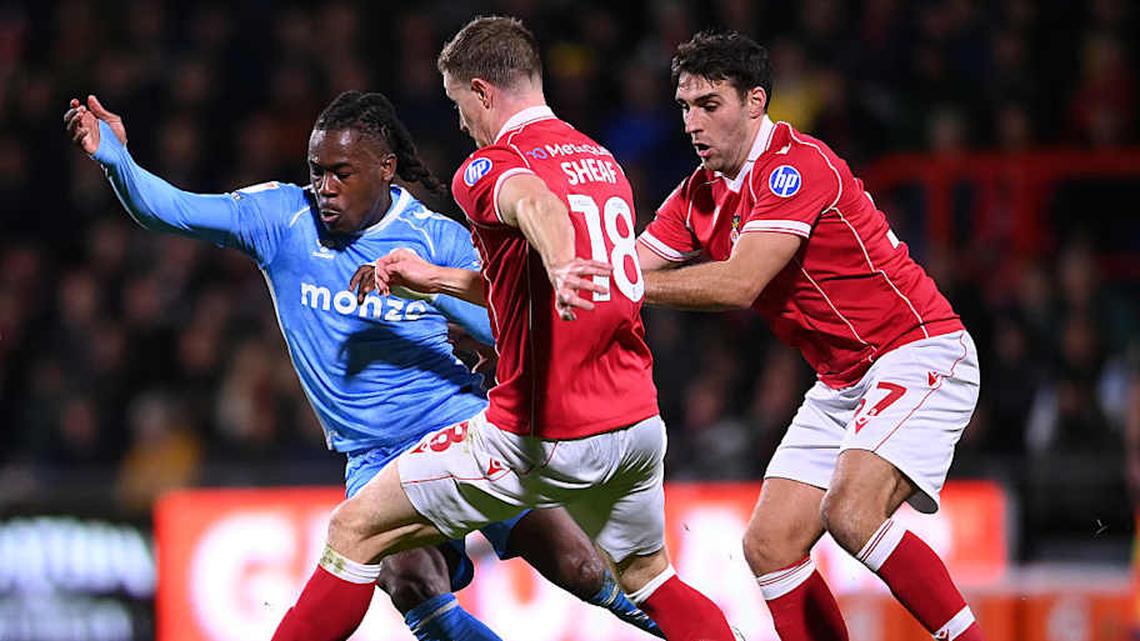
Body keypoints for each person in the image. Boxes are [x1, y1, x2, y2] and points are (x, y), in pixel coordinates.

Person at [64, 90, 662, 641]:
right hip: (373, 458)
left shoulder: (437, 241)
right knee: (413, 588)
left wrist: (491, 345)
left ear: (384, 169)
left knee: (582, 568)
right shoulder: (281, 219)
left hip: (460, 433)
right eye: (316, 171)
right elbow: (172, 210)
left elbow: (515, 330)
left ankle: (690, 629)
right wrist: (116, 159)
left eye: (340, 173)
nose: (323, 186)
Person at [276, 16, 739, 641]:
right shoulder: (601, 161)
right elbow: (516, 289)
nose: (462, 122)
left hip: (540, 433)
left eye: (460, 105)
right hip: (635, 425)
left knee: (353, 530)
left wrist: (560, 256)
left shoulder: (488, 167)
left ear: (482, 91)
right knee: (652, 580)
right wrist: (433, 277)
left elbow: (532, 201)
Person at [634, 31, 984, 641]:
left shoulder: (796, 166)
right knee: (770, 545)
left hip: (917, 349)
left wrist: (623, 286)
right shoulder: (698, 194)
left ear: (755, 102)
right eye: (685, 107)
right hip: (844, 379)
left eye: (709, 105)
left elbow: (739, 284)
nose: (693, 123)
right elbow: (627, 268)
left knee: (852, 512)